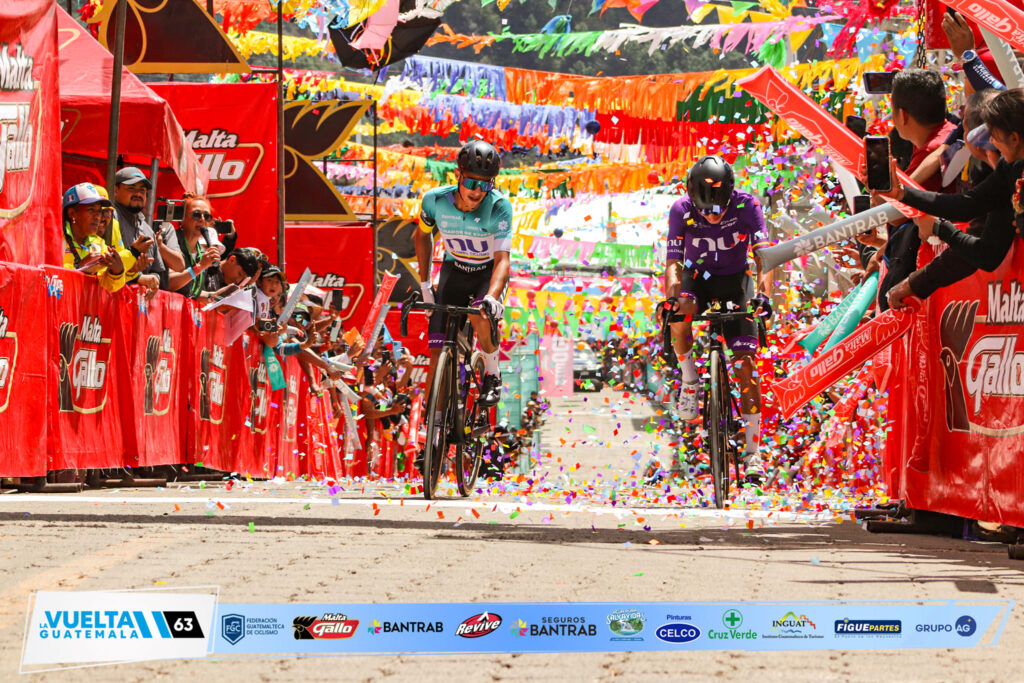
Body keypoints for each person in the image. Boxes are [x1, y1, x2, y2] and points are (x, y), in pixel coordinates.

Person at [663, 154, 773, 483]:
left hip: (737, 282)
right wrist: (672, 297)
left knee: (746, 368)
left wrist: (764, 296)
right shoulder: (680, 209)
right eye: (706, 211)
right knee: (679, 311)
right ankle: (690, 381)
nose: (712, 217)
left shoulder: (748, 205)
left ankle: (753, 452)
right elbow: (673, 263)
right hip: (697, 279)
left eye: (719, 210)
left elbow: (764, 257)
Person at [875, 88, 1024, 289]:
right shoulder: (1009, 169)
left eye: (994, 136)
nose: (991, 144)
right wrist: (902, 193)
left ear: (1014, 139)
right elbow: (969, 205)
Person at [414, 139, 511, 407]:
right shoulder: (435, 200)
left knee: (481, 314)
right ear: (457, 174)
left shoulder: (499, 207)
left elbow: (503, 260)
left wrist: (492, 297)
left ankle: (493, 374)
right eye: (471, 182)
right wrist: (425, 286)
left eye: (486, 185)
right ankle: (434, 424)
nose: (477, 191)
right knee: (437, 353)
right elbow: (421, 237)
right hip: (454, 270)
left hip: (486, 274)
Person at [865, 69, 957, 311]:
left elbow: (898, 216)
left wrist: (881, 196)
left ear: (902, 115)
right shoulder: (944, 136)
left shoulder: (932, 150)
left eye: (892, 110)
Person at [61, 183, 134, 293]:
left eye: (99, 211)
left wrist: (116, 272)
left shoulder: (99, 244)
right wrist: (80, 267)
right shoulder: (56, 239)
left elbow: (108, 287)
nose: (98, 216)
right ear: (72, 213)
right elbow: (51, 278)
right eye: (91, 210)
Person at [113, 167, 166, 297]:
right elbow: (104, 263)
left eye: (142, 190)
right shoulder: (108, 217)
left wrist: (155, 280)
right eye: (131, 188)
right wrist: (138, 277)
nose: (138, 194)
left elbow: (158, 272)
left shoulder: (148, 230)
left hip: (137, 306)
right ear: (115, 190)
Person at [161, 194, 222, 299]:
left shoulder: (201, 253)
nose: (202, 219)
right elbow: (168, 283)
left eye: (207, 216)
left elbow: (190, 292)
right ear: (182, 218)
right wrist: (200, 267)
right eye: (196, 215)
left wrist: (215, 296)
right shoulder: (171, 243)